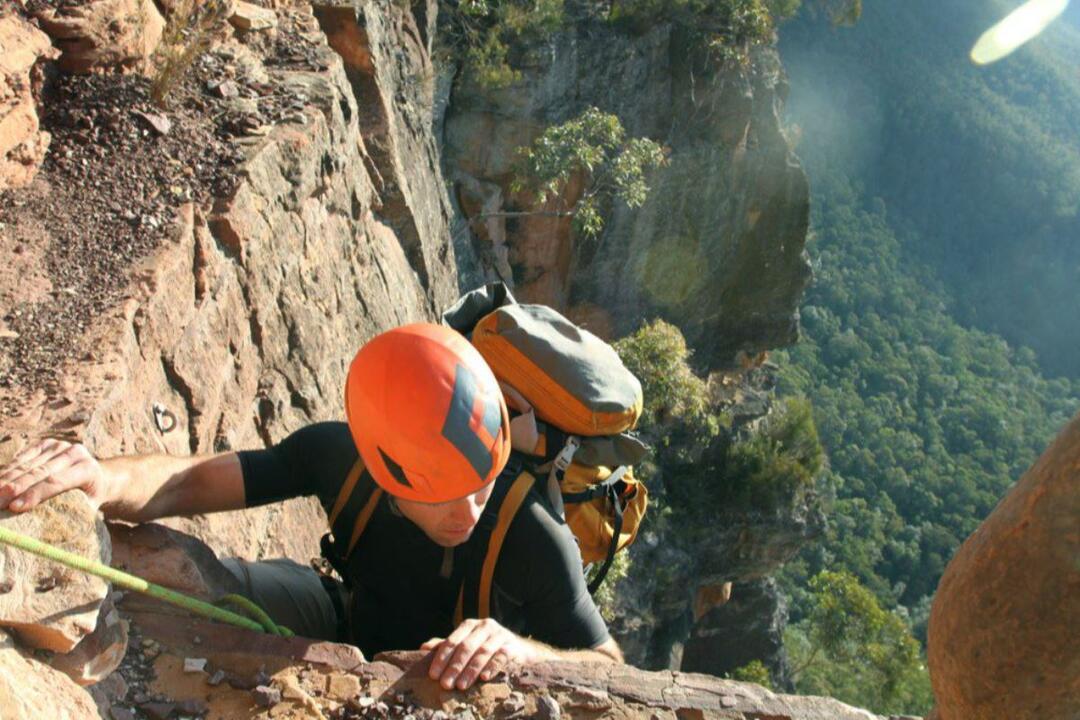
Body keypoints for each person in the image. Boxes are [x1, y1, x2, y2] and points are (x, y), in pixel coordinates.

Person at [0, 323, 622, 690]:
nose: (469, 510)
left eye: (481, 485)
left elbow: (607, 664)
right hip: (338, 619)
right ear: (386, 469)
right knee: (196, 586)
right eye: (443, 493)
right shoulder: (341, 457)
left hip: (436, 677)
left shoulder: (532, 533)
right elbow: (191, 482)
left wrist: (522, 649)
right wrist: (101, 477)